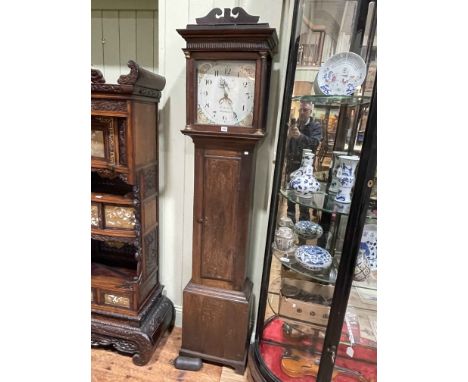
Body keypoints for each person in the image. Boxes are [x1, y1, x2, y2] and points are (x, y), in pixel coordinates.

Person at [285, 100, 323, 222]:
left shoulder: (315, 126)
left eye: (305, 110)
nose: (302, 112)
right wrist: (289, 136)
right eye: (300, 109)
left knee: (304, 200)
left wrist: (300, 136)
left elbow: (315, 143)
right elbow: (288, 145)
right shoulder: (296, 124)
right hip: (291, 165)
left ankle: (303, 226)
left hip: (305, 168)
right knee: (290, 198)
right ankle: (290, 222)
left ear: (311, 111)